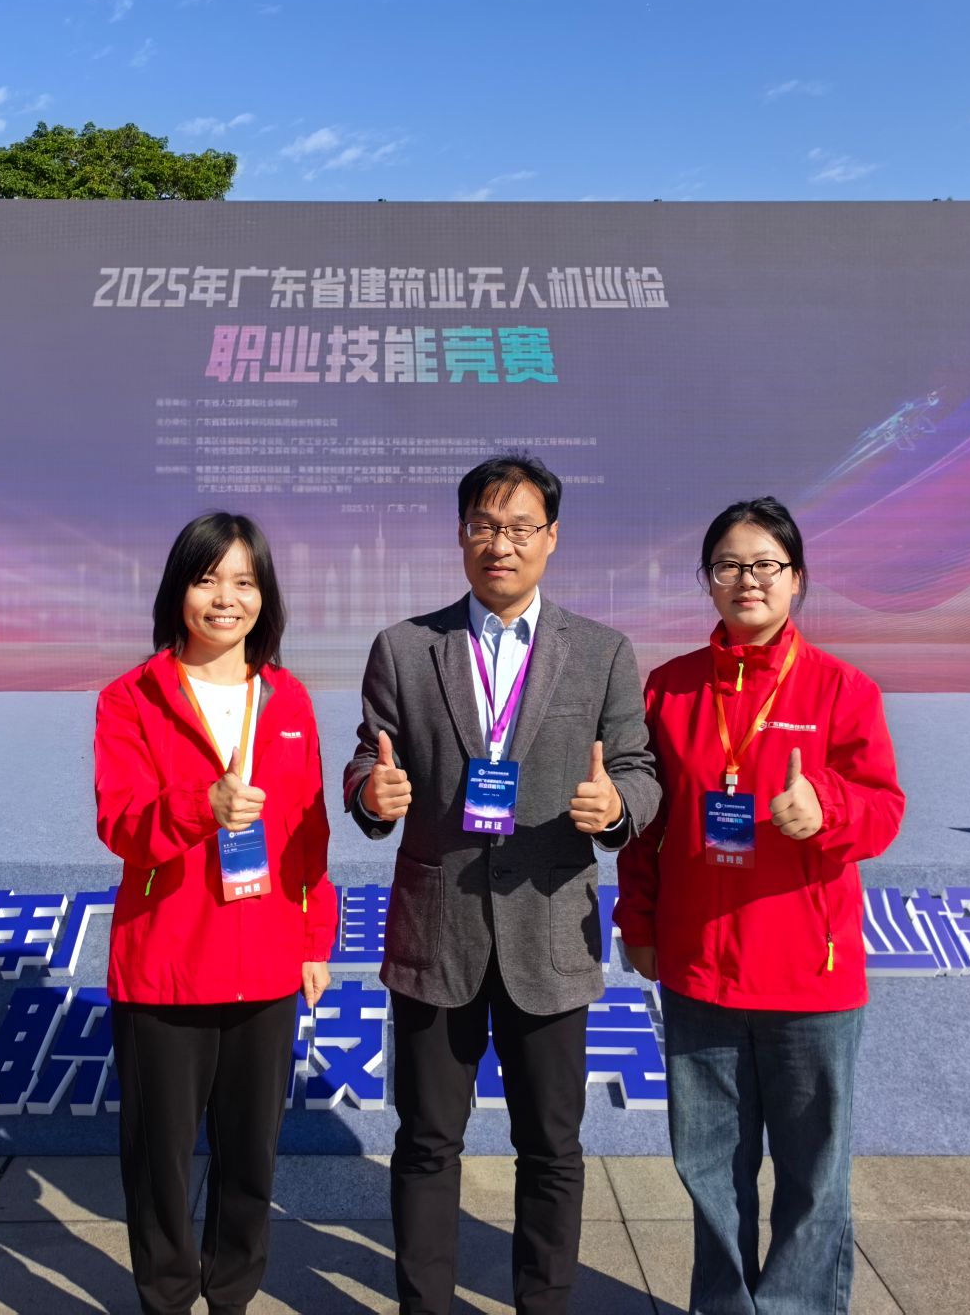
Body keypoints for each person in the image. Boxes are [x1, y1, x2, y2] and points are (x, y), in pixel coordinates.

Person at [343, 455, 661, 1315]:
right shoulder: (406, 648)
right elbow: (370, 759)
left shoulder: (600, 652)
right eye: (484, 526)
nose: (501, 544)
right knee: (426, 1142)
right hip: (436, 930)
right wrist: (371, 793)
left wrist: (617, 806)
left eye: (521, 527)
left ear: (551, 538)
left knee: (552, 1148)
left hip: (549, 931)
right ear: (461, 536)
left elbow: (638, 768)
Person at [616, 498, 904, 1315]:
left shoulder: (842, 688)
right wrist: (639, 922)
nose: (748, 580)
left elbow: (884, 809)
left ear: (796, 579)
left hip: (809, 978)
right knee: (709, 1172)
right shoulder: (671, 689)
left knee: (813, 1178)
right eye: (728, 565)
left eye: (765, 565)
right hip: (699, 969)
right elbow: (648, 825)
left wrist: (827, 808)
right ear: (707, 580)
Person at [94, 512, 338, 1315]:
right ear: (179, 591)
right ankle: (166, 1300)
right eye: (207, 580)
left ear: (265, 597)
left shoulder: (289, 699)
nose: (226, 599)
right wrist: (203, 806)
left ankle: (231, 1296)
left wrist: (314, 940)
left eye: (244, 582)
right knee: (159, 1165)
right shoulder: (131, 699)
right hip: (165, 965)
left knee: (250, 1161)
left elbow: (308, 836)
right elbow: (121, 824)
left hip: (267, 963)